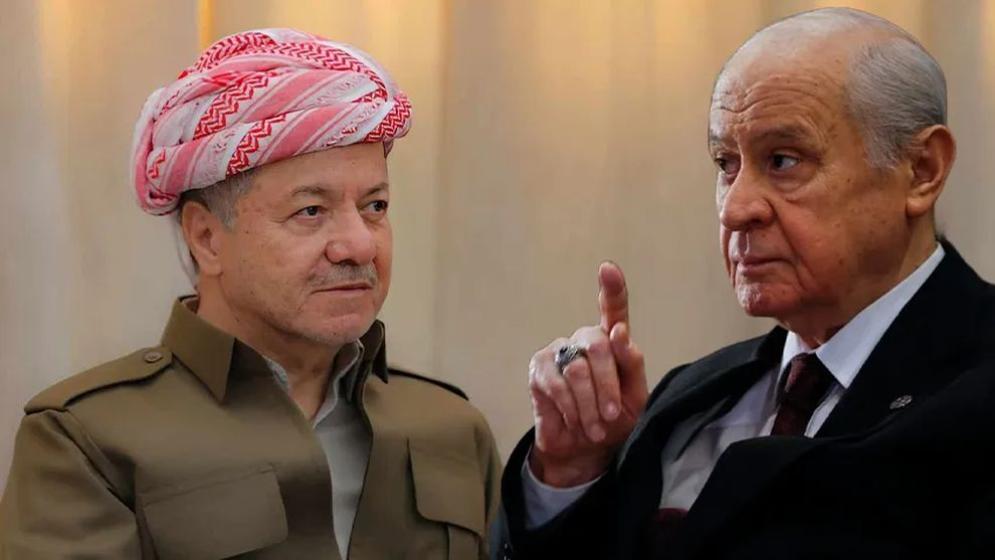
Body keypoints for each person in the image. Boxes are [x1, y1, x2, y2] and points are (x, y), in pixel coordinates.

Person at [494, 8, 995, 560]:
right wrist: (570, 474)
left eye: (783, 160)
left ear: (921, 170)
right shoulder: (689, 397)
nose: (735, 209)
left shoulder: (974, 386)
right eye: (725, 163)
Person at [0, 28, 499, 559]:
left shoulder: (451, 427)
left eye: (374, 206)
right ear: (206, 237)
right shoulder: (87, 439)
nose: (359, 244)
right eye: (311, 211)